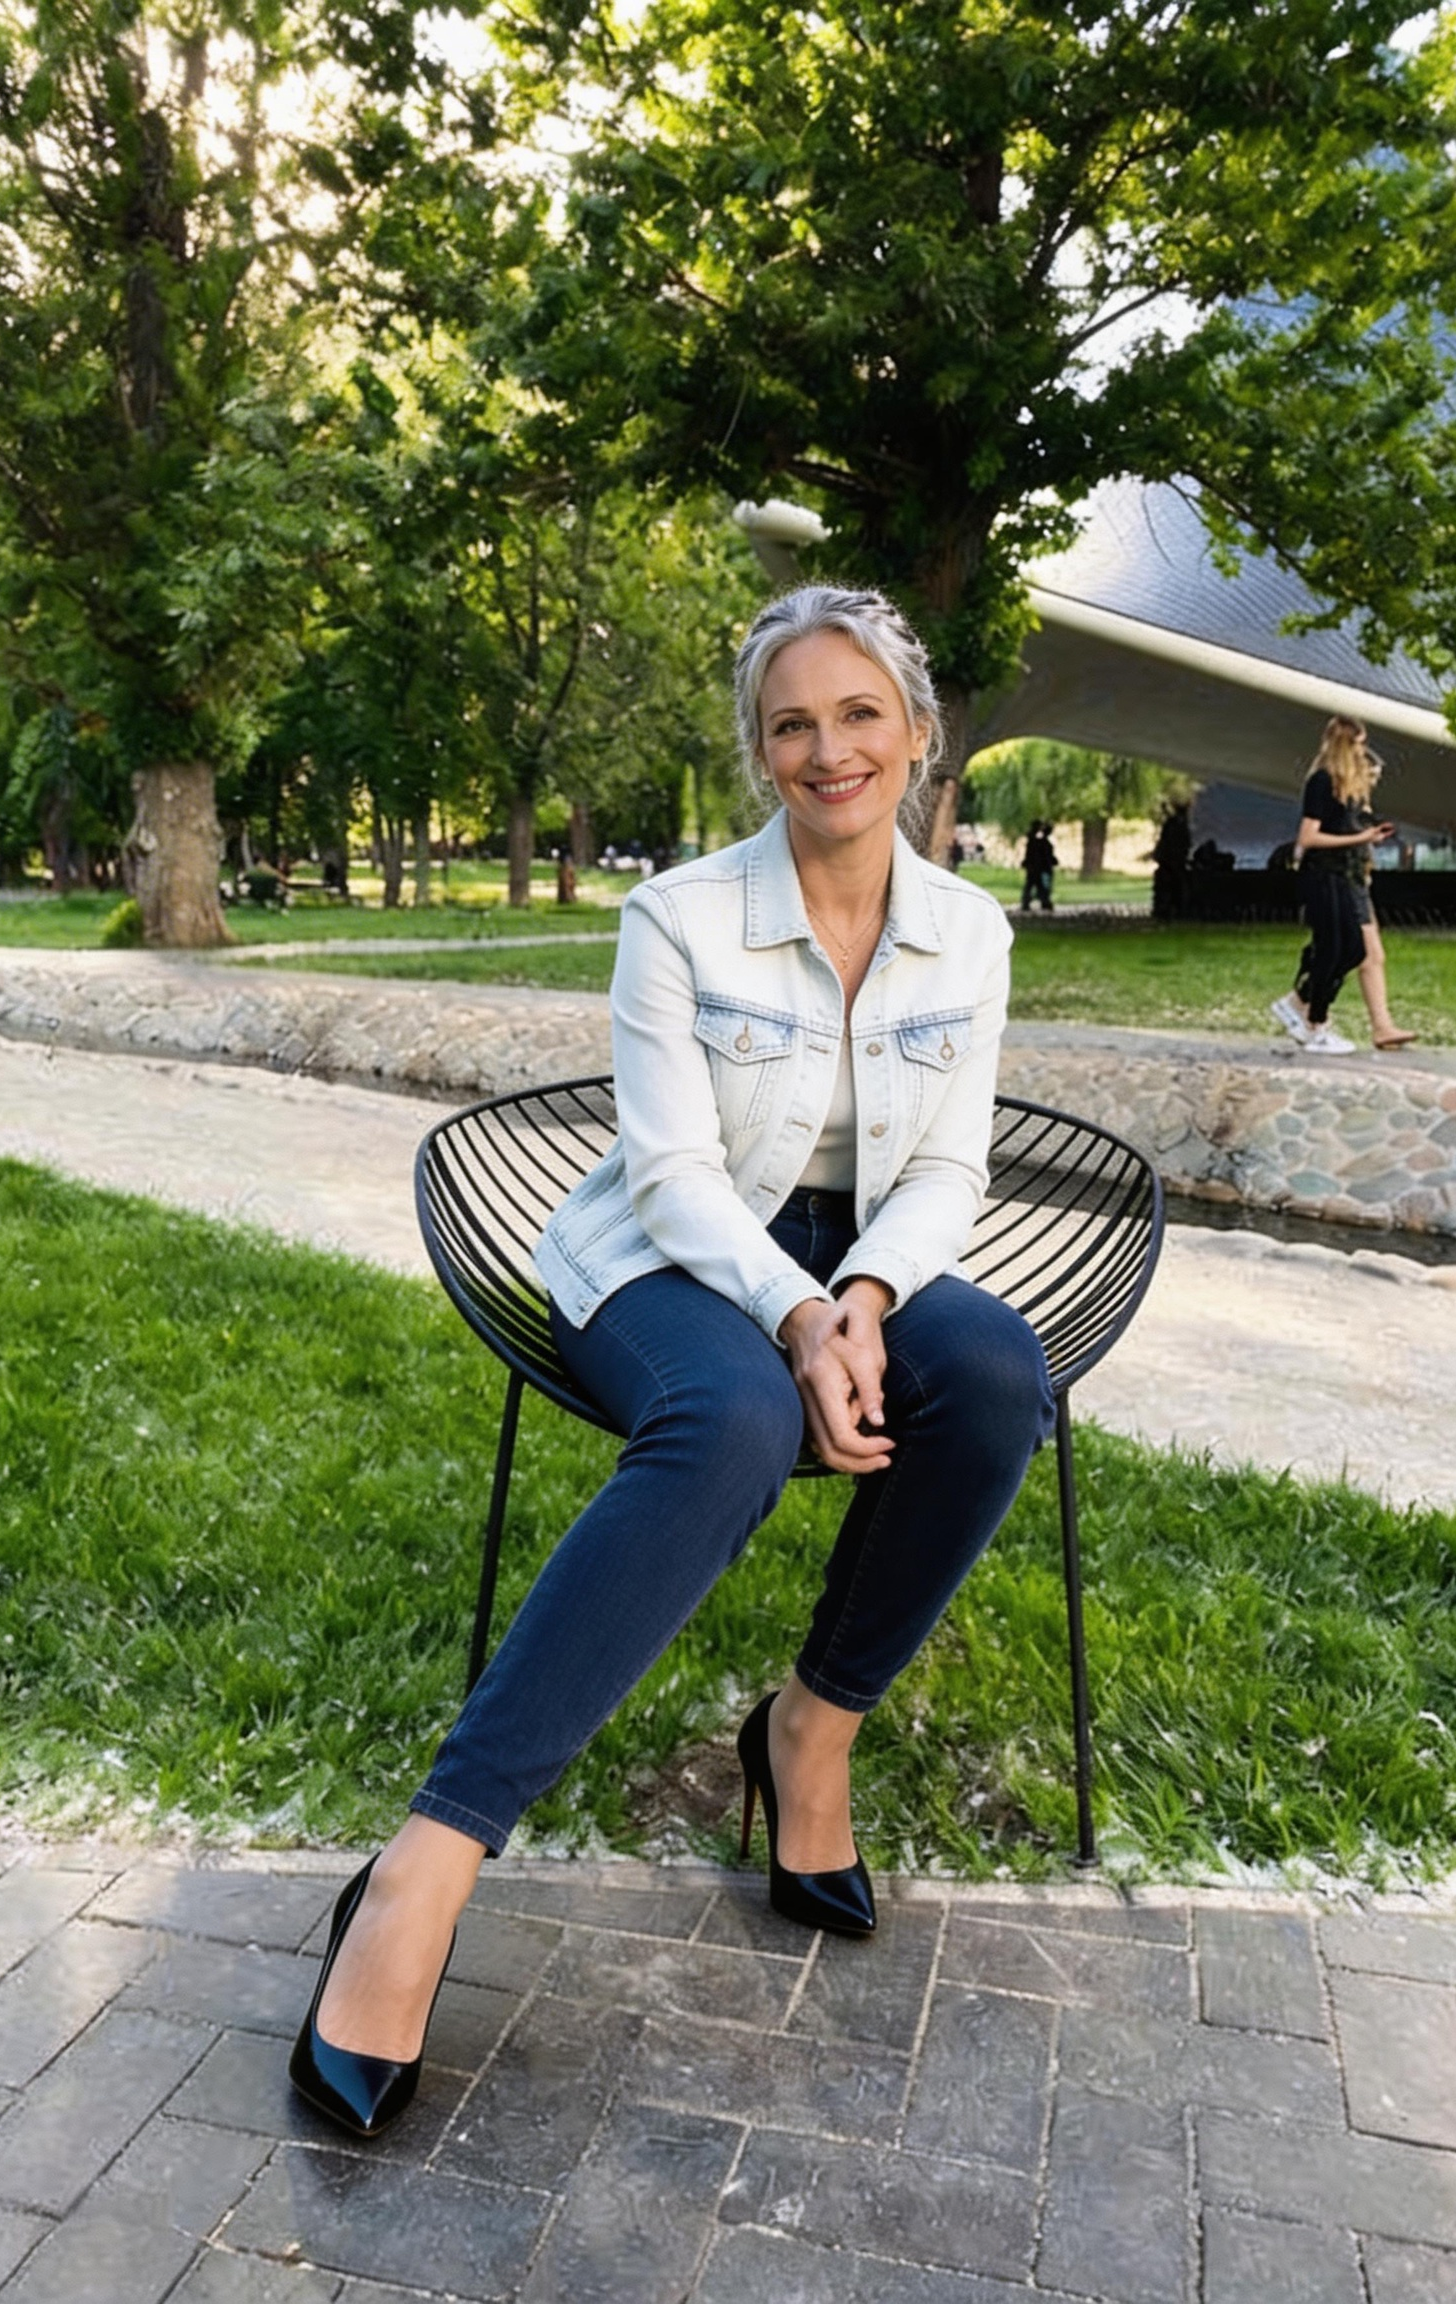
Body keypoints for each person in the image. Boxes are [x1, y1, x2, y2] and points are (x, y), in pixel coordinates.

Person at [290, 584, 1055, 2140]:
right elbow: (674, 1173)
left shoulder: (969, 931)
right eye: (794, 724)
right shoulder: (679, 918)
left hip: (859, 1252)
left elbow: (948, 1168)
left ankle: (809, 1735)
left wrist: (866, 1293)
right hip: (665, 1249)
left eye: (860, 715)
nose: (829, 751)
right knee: (731, 1421)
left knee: (992, 1378)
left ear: (918, 732)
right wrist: (800, 1318)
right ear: (760, 749)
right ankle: (425, 1870)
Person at [1269, 716, 1413, 1054]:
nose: (1363, 754)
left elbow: (1345, 827)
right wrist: (1361, 838)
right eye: (1358, 746)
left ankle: (1307, 1008)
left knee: (1353, 950)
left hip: (1347, 874)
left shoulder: (1346, 789)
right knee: (1338, 948)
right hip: (1327, 875)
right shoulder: (1322, 781)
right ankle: (1312, 1020)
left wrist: (1367, 835)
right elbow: (1308, 837)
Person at [1020, 820, 1057, 912]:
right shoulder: (1041, 843)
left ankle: (1032, 902)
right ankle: (1043, 901)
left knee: (1034, 885)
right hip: (1040, 868)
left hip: (1035, 868)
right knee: (1041, 886)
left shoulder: (1034, 842)